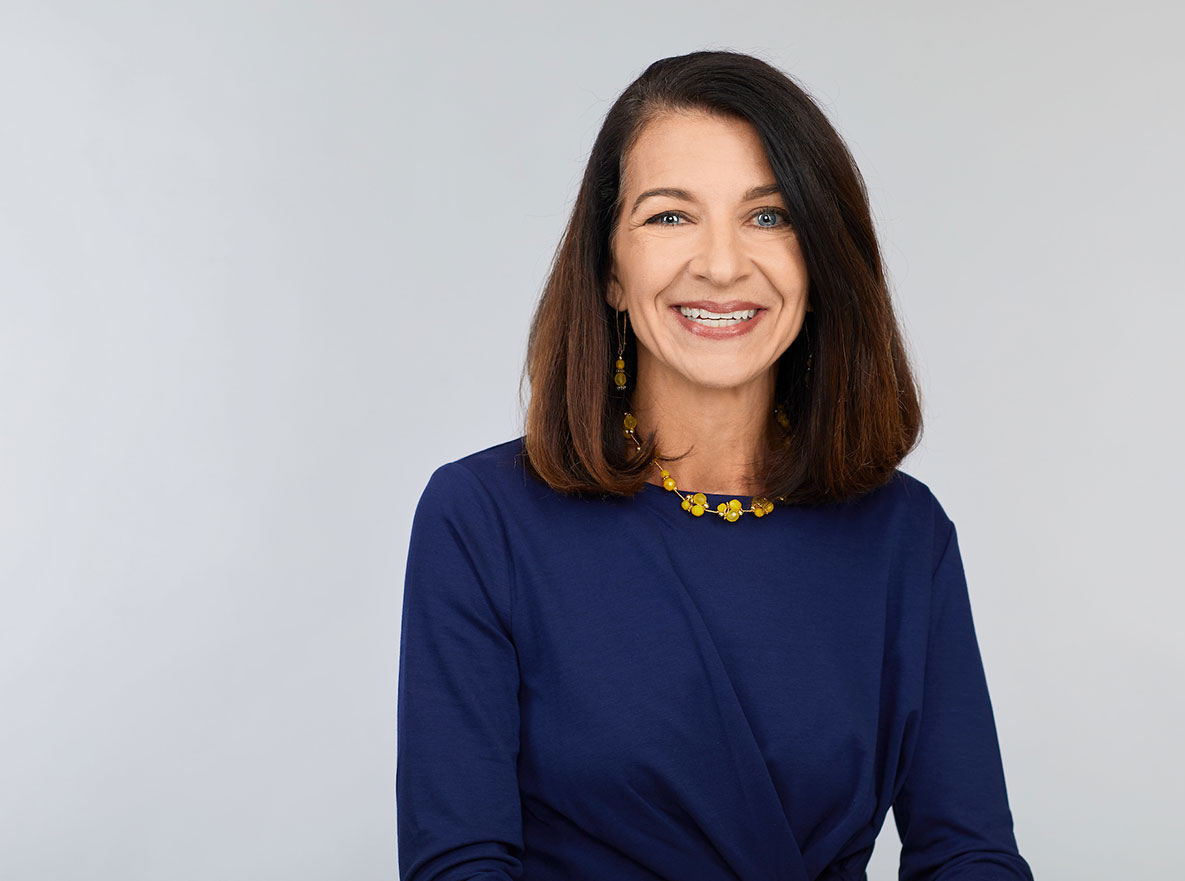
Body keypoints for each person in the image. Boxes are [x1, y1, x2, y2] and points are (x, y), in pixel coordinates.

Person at [396, 50, 1034, 881]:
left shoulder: (905, 535)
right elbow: (460, 865)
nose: (723, 264)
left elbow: (969, 853)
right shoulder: (480, 519)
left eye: (768, 217)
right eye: (670, 217)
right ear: (610, 272)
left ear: (819, 262)